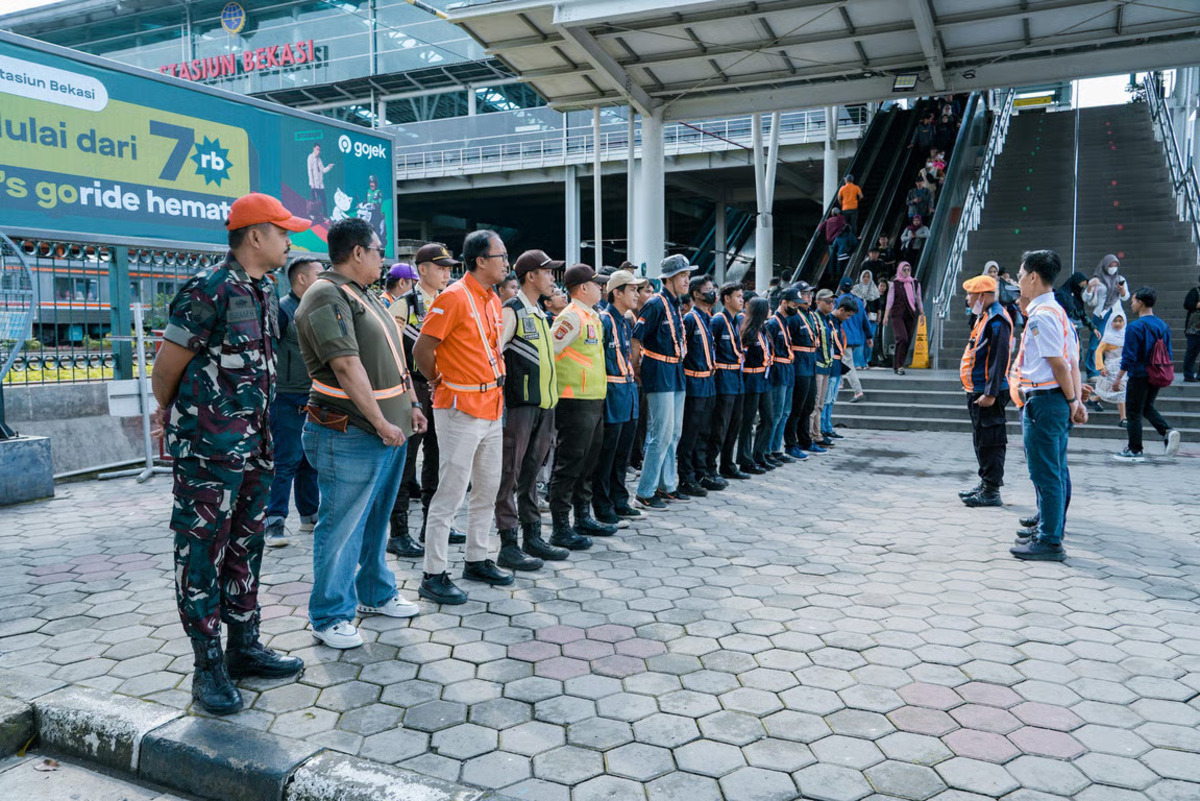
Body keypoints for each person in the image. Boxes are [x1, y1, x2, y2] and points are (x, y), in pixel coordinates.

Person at [152, 193, 308, 715]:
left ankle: (244, 646)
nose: (291, 241)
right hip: (209, 452)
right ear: (256, 235)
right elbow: (166, 368)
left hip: (257, 448)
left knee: (246, 547)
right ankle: (207, 667)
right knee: (201, 554)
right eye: (283, 232)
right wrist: (183, 420)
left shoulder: (262, 290)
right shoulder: (209, 289)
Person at [295, 217, 428, 649]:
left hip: (387, 431)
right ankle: (330, 614)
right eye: (377, 252)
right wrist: (380, 421)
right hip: (350, 432)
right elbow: (346, 366)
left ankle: (375, 591)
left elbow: (394, 357)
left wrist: (410, 406)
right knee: (341, 526)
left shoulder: (365, 295)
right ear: (357, 252)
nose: (382, 260)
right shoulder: (325, 294)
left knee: (374, 520)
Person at [413, 230, 512, 605]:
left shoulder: (489, 298)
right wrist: (437, 380)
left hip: (491, 407)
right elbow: (423, 348)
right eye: (501, 255)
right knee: (450, 493)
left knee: (487, 489)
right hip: (459, 408)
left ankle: (476, 557)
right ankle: (433, 573)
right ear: (481, 261)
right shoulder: (454, 297)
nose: (506, 261)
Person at [493, 250, 572, 571]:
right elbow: (494, 353)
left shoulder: (539, 313)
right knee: (509, 474)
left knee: (530, 473)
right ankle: (508, 544)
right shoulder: (511, 310)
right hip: (519, 407)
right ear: (530, 276)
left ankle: (533, 537)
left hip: (544, 406)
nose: (552, 278)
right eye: (547, 272)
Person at [387, 243, 466, 559]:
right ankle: (399, 532)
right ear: (422, 270)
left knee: (439, 457)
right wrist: (407, 395)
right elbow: (392, 355)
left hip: (443, 389)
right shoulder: (403, 305)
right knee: (406, 462)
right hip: (414, 390)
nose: (448, 272)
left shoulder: (450, 302)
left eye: (449, 267)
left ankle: (434, 525)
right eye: (441, 267)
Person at [1009, 250, 1084, 562]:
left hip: (1046, 401)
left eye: (1020, 275)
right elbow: (1073, 362)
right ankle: (1050, 526)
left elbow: (1060, 365)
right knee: (1055, 469)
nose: (1017, 281)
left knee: (1046, 473)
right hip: (1055, 400)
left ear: (1033, 278)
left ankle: (1050, 540)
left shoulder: (1043, 316)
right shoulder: (1057, 312)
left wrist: (1072, 401)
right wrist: (1075, 401)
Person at [548, 263, 615, 543]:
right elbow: (550, 351)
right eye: (597, 284)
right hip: (573, 400)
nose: (601, 288)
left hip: (593, 399)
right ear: (583, 288)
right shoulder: (571, 317)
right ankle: (561, 526)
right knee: (569, 463)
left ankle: (583, 517)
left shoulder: (592, 316)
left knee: (588, 462)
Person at [264, 257, 323, 548]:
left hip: (313, 395)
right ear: (301, 279)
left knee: (309, 461)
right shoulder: (283, 309)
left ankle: (309, 516)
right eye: (319, 274)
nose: (323, 279)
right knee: (285, 460)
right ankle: (274, 521)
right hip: (286, 397)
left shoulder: (314, 308)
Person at [632, 255, 696, 507]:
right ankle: (645, 492)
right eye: (683, 276)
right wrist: (636, 367)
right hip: (658, 370)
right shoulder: (655, 304)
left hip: (675, 371)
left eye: (687, 276)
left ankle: (667, 485)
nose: (687, 280)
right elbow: (637, 338)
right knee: (661, 434)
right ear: (668, 278)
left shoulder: (674, 304)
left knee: (674, 433)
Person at [593, 269, 647, 521]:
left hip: (627, 392)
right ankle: (602, 505)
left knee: (622, 453)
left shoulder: (625, 321)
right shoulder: (603, 320)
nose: (637, 294)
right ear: (617, 292)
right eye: (633, 289)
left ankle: (619, 499)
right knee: (607, 454)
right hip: (612, 395)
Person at [956, 274, 1013, 509]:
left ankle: (991, 490)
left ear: (983, 296)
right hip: (977, 390)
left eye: (971, 295)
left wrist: (990, 393)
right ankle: (985, 483)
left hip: (988, 393)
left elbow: (999, 360)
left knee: (991, 441)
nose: (968, 299)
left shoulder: (997, 320)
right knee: (981, 439)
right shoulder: (985, 317)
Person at [1111, 287, 1181, 462]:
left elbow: (1129, 356)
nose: (1132, 304)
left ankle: (1135, 450)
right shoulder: (1163, 326)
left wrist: (1118, 377)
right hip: (1157, 373)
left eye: (1133, 301)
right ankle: (1167, 431)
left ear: (1141, 303)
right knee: (1147, 406)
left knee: (1133, 412)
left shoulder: (1135, 327)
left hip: (1139, 374)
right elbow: (1168, 353)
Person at [678, 275, 720, 496]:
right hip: (694, 382)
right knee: (691, 433)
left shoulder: (707, 318)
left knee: (705, 431)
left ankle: (701, 473)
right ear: (696, 294)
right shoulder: (690, 319)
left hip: (708, 381)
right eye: (708, 289)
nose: (713, 293)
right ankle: (686, 477)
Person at [708, 282, 749, 485]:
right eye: (738, 296)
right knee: (720, 426)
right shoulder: (718, 320)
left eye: (742, 296)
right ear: (727, 299)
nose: (742, 300)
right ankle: (711, 468)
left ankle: (728, 465)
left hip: (737, 378)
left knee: (735, 424)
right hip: (723, 378)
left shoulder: (735, 321)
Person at [737, 297, 775, 474]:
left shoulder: (764, 330)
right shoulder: (748, 332)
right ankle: (745, 459)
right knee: (748, 421)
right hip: (751, 380)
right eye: (768, 308)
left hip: (764, 379)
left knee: (768, 418)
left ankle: (759, 454)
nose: (771, 310)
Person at [785, 282, 821, 458]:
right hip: (799, 365)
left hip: (811, 363)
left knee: (808, 405)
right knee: (796, 407)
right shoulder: (794, 317)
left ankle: (805, 440)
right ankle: (791, 444)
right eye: (806, 294)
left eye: (810, 294)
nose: (809, 297)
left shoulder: (810, 315)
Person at [765, 288, 798, 463]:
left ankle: (777, 448)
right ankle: (768, 449)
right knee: (776, 413)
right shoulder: (773, 323)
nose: (796, 307)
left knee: (785, 412)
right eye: (793, 304)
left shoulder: (785, 321)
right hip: (778, 369)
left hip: (788, 369)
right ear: (783, 302)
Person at [821, 297, 859, 439]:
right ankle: (822, 428)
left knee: (831, 399)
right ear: (841, 310)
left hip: (837, 364)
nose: (848, 318)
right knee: (825, 399)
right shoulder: (828, 321)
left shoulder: (838, 323)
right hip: (829, 364)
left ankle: (828, 427)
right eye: (847, 315)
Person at [883, 262, 923, 374]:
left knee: (907, 339)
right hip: (897, 314)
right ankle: (899, 365)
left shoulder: (914, 283)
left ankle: (898, 364)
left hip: (910, 313)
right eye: (904, 270)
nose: (906, 272)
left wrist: (921, 311)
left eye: (908, 270)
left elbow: (918, 298)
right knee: (902, 337)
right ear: (900, 270)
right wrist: (886, 315)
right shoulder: (895, 284)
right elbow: (890, 300)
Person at [808, 289, 836, 450]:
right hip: (818, 366)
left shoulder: (828, 319)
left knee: (820, 403)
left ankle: (817, 434)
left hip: (826, 365)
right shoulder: (814, 318)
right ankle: (811, 435)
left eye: (832, 301)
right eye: (828, 301)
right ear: (818, 302)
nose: (831, 304)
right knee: (814, 403)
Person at [1092, 306, 1128, 427]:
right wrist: (1101, 367)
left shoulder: (1126, 336)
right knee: (1117, 391)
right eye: (1115, 321)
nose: (1117, 323)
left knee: (1116, 390)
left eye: (1120, 321)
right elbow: (1098, 352)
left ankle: (1094, 400)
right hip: (1110, 368)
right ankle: (1123, 418)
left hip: (1122, 369)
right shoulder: (1107, 337)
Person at [835, 277, 870, 398]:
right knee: (840, 358)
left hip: (844, 338)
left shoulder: (838, 301)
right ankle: (839, 382)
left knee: (847, 363)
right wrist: (869, 336)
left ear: (840, 288)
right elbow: (865, 320)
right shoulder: (859, 301)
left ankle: (858, 391)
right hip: (856, 338)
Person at [852, 269, 882, 370]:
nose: (866, 279)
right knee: (859, 339)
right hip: (858, 318)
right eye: (864, 276)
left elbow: (878, 305)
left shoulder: (874, 290)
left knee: (869, 340)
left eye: (868, 277)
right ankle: (858, 362)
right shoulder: (856, 290)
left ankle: (866, 361)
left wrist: (879, 316)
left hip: (871, 319)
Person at [306, 144, 334, 223]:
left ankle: (325, 216)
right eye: (317, 149)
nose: (318, 151)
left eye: (319, 150)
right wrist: (312, 183)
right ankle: (312, 215)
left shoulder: (319, 160)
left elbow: (323, 170)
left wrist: (328, 167)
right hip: (314, 184)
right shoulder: (310, 157)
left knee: (323, 200)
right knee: (314, 201)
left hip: (321, 185)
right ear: (314, 149)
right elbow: (310, 171)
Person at [1185, 270, 1200, 382]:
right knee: (1191, 352)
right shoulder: (1195, 292)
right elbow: (1187, 304)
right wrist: (1196, 305)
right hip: (1193, 329)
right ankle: (1188, 375)